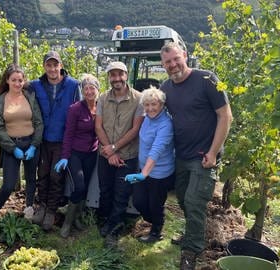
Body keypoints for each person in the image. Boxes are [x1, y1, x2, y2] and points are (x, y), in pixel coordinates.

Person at [159, 42, 233, 269]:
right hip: (181, 155)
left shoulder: (207, 79)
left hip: (204, 157)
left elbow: (225, 116)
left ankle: (192, 251)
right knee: (182, 198)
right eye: (167, 62)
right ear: (163, 66)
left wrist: (213, 152)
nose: (173, 65)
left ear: (185, 55)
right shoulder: (165, 88)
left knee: (195, 201)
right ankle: (192, 233)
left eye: (175, 59)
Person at [95, 61, 144, 247]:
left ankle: (114, 229)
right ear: (109, 77)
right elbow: (98, 126)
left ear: (126, 74)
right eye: (113, 75)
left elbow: (135, 129)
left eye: (120, 74)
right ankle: (105, 221)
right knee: (105, 190)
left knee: (122, 193)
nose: (117, 79)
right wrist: (109, 150)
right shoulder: (102, 99)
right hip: (105, 154)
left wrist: (115, 148)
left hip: (127, 156)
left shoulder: (138, 99)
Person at [29, 51, 80, 231]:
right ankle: (41, 205)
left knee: (56, 175)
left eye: (55, 65)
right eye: (48, 65)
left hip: (61, 139)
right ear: (44, 67)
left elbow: (78, 110)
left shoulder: (73, 85)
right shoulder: (36, 85)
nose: (52, 69)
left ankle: (51, 209)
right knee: (41, 174)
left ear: (61, 65)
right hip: (42, 139)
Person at [0, 64, 43, 220]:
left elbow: (39, 122)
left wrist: (34, 145)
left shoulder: (29, 97)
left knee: (31, 178)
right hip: (11, 146)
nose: (17, 83)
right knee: (8, 183)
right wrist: (12, 148)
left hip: (30, 142)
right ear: (7, 80)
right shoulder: (0, 102)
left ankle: (28, 207)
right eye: (14, 80)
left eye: (20, 80)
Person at [124, 86, 174, 244]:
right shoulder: (146, 119)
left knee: (155, 203)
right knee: (139, 201)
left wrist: (143, 173)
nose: (150, 108)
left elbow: (156, 150)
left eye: (154, 104)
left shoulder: (166, 124)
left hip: (160, 173)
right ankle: (153, 220)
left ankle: (156, 232)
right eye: (147, 104)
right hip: (143, 169)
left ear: (161, 104)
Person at [54, 74, 100, 238]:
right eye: (85, 88)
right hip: (75, 154)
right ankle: (67, 222)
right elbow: (68, 134)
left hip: (92, 153)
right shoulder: (75, 109)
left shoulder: (100, 108)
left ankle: (77, 218)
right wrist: (65, 156)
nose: (88, 91)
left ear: (97, 90)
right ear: (82, 91)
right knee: (79, 186)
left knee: (85, 187)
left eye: (92, 88)